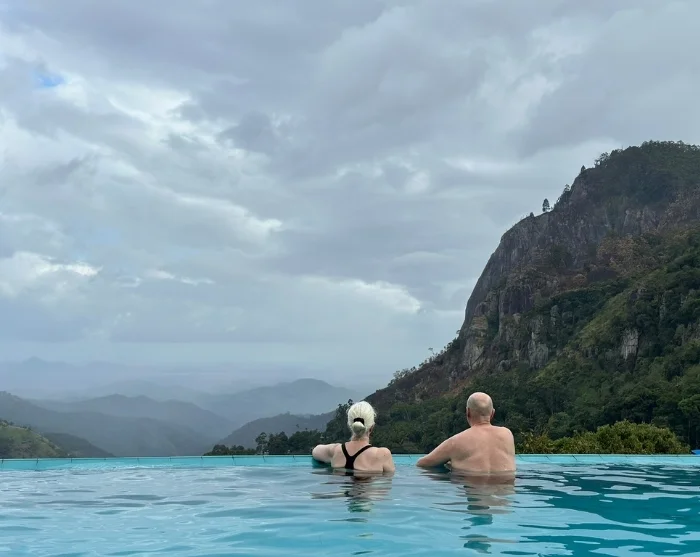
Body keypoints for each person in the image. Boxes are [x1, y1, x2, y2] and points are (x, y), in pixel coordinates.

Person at [416, 392, 515, 475]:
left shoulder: (456, 441)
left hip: (475, 488)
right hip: (504, 490)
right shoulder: (507, 434)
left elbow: (422, 464)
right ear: (492, 413)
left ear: (468, 412)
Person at [311, 401, 395, 474]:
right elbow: (387, 483)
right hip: (367, 487)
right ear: (371, 427)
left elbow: (315, 451)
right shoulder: (382, 454)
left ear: (350, 425)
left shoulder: (336, 450)